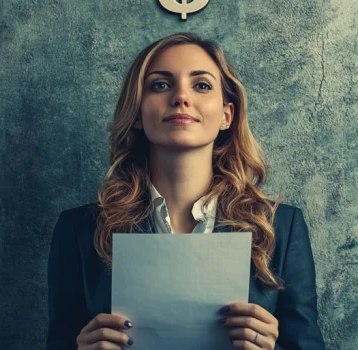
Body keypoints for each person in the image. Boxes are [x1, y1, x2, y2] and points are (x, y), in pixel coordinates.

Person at [46, 32, 325, 350]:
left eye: (202, 85)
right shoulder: (78, 230)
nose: (181, 97)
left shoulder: (281, 228)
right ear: (137, 113)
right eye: (160, 85)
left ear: (226, 115)